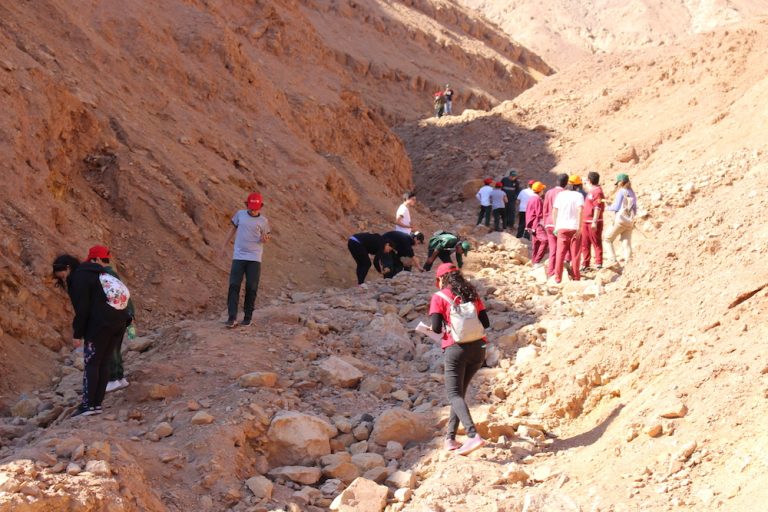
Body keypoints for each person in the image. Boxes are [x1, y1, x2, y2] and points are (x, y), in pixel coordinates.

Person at [52, 253, 132, 417]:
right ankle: (96, 405)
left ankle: (88, 405)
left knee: (92, 364)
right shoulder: (98, 273)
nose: (60, 277)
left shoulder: (78, 278)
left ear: (67, 267)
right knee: (103, 363)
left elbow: (83, 309)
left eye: (60, 273)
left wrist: (77, 333)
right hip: (119, 321)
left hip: (100, 325)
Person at [428, 263, 490, 456]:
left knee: (453, 394)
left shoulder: (439, 297)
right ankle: (450, 438)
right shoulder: (472, 294)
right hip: (479, 349)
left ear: (441, 279)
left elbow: (437, 328)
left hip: (456, 349)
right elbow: (486, 322)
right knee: (459, 394)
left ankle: (473, 436)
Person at [84, 245, 135, 393]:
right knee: (115, 347)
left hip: (113, 318)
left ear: (98, 259)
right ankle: (120, 378)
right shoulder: (113, 274)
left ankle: (112, 380)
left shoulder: (103, 276)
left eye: (93, 260)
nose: (91, 264)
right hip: (123, 315)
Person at [222, 192, 270, 328]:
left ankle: (247, 317)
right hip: (238, 256)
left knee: (251, 287)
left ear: (260, 206)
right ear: (246, 205)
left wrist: (264, 239)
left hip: (254, 258)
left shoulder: (263, 221)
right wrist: (224, 245)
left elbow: (266, 237)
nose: (253, 210)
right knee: (234, 285)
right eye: (251, 207)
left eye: (256, 207)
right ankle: (232, 318)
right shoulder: (240, 214)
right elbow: (232, 230)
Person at [552, 176, 584, 283]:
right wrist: (580, 228)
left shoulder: (560, 195)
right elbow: (580, 211)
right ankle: (576, 277)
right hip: (574, 228)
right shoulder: (579, 195)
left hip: (562, 227)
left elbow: (554, 211)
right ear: (577, 186)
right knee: (575, 255)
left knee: (560, 254)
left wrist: (556, 226)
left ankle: (558, 278)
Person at [604, 173, 637, 264]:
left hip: (620, 220)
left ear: (621, 182)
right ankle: (629, 263)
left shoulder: (621, 191)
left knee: (607, 239)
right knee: (626, 243)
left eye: (618, 182)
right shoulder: (632, 192)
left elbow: (616, 207)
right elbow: (635, 208)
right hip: (630, 221)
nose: (617, 185)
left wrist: (606, 207)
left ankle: (612, 260)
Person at [543, 173, 568, 278]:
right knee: (562, 249)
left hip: (549, 223)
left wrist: (545, 222)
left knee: (552, 249)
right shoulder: (565, 193)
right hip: (560, 223)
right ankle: (559, 271)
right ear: (566, 183)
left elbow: (545, 208)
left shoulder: (549, 192)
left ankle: (550, 271)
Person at [580, 172, 605, 271]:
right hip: (586, 221)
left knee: (596, 242)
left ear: (590, 181)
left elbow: (597, 207)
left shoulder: (598, 192)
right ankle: (585, 264)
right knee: (585, 243)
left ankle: (598, 262)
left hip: (594, 221)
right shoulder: (592, 191)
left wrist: (594, 221)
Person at [525, 182, 548, 266]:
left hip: (531, 225)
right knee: (545, 240)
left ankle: (534, 261)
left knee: (536, 244)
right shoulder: (537, 199)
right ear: (540, 190)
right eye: (543, 189)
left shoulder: (531, 198)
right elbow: (540, 214)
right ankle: (537, 261)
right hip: (537, 223)